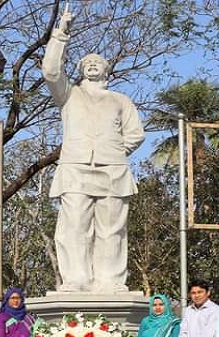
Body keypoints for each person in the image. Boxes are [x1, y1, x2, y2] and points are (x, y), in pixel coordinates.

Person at [41, 7, 145, 292]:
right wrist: (62, 31)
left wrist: (113, 150)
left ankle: (110, 281)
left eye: (97, 62)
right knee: (74, 226)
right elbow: (50, 70)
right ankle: (76, 279)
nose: (91, 65)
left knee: (112, 229)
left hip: (112, 169)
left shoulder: (120, 100)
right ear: (80, 70)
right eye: (86, 63)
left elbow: (136, 133)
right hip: (75, 167)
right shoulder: (69, 94)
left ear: (106, 69)